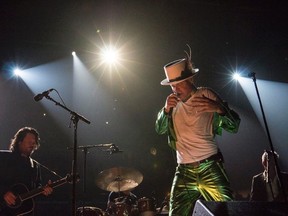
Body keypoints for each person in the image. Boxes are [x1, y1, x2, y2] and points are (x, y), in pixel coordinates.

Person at [155, 45, 241, 215]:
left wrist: (220, 109)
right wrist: (164, 111)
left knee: (227, 210)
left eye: (178, 84)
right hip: (184, 171)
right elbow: (159, 129)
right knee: (176, 213)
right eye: (172, 86)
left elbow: (234, 126)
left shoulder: (206, 94)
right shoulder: (171, 103)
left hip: (209, 165)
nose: (175, 89)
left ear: (190, 80)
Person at [0, 127, 53, 216]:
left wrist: (44, 191)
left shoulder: (35, 165)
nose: (32, 145)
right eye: (29, 142)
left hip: (24, 212)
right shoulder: (3, 157)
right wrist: (3, 192)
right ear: (19, 142)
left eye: (34, 143)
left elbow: (36, 188)